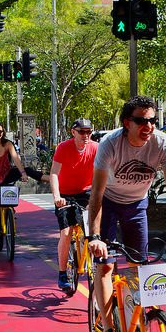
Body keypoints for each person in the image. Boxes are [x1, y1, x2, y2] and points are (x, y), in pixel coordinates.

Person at [87, 95, 166, 332]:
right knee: (106, 266)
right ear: (127, 122)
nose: (149, 127)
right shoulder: (110, 144)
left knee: (139, 267)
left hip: (137, 205)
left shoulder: (162, 143)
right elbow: (97, 195)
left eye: (153, 121)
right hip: (109, 203)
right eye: (142, 121)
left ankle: (133, 322)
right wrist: (95, 236)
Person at [0, 122, 49, 247]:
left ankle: (49, 178)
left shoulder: (8, 144)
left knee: (27, 169)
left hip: (6, 175)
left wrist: (22, 173)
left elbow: (16, 159)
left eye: (0, 131)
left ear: (3, 133)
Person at [49, 118, 98, 292]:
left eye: (88, 132)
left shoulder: (95, 148)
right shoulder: (63, 148)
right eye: (82, 132)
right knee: (66, 232)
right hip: (65, 195)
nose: (86, 135)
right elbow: (54, 173)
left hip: (86, 192)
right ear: (73, 132)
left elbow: (102, 173)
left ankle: (97, 266)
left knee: (94, 231)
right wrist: (57, 197)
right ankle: (63, 273)